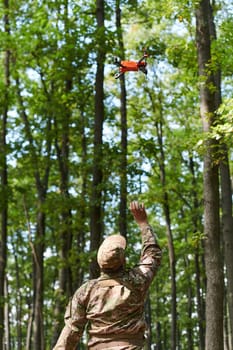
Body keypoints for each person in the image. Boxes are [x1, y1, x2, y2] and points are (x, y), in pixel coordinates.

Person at [53, 201, 162, 350]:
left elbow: (71, 331)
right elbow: (153, 255)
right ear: (123, 260)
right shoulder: (137, 280)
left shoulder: (86, 291)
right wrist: (143, 223)